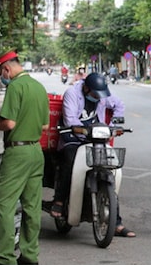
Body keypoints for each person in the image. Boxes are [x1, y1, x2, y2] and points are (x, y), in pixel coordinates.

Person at [0, 50, 49, 265]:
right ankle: (29, 254)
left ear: (7, 69)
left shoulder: (15, 87)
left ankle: (5, 257)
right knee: (32, 205)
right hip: (36, 151)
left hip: (17, 152)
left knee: (4, 203)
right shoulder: (38, 87)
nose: (2, 76)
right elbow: (45, 126)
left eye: (1, 72)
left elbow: (8, 124)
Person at [52, 72, 135, 237]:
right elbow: (70, 120)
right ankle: (59, 201)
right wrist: (84, 131)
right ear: (86, 88)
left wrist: (112, 126)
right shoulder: (72, 94)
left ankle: (116, 222)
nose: (98, 98)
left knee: (109, 168)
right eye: (95, 94)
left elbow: (119, 105)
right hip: (73, 137)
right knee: (70, 159)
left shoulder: (102, 94)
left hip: (96, 136)